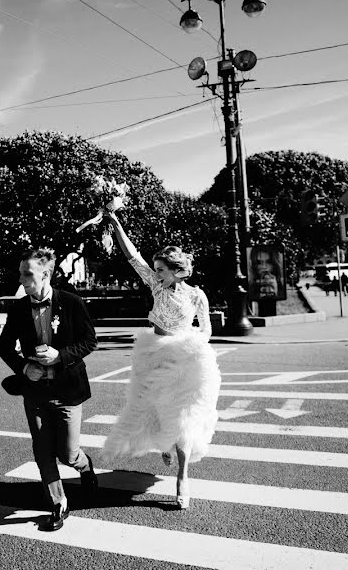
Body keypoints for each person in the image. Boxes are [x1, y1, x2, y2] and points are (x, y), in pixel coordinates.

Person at [102, 212, 221, 510]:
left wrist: (191, 343)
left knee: (183, 418)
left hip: (185, 359)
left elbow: (206, 329)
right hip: (154, 355)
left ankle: (183, 476)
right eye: (154, 270)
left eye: (161, 270)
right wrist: (117, 224)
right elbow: (133, 257)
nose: (155, 274)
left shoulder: (197, 296)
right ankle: (166, 446)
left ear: (176, 271)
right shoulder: (156, 286)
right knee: (153, 409)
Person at [0, 248, 99, 532]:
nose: (22, 278)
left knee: (68, 453)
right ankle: (58, 504)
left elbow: (90, 341)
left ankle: (85, 466)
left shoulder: (72, 302)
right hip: (35, 393)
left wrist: (60, 356)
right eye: (21, 273)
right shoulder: (18, 308)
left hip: (68, 390)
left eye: (27, 273)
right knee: (42, 452)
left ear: (45, 274)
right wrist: (22, 368)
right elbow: (4, 347)